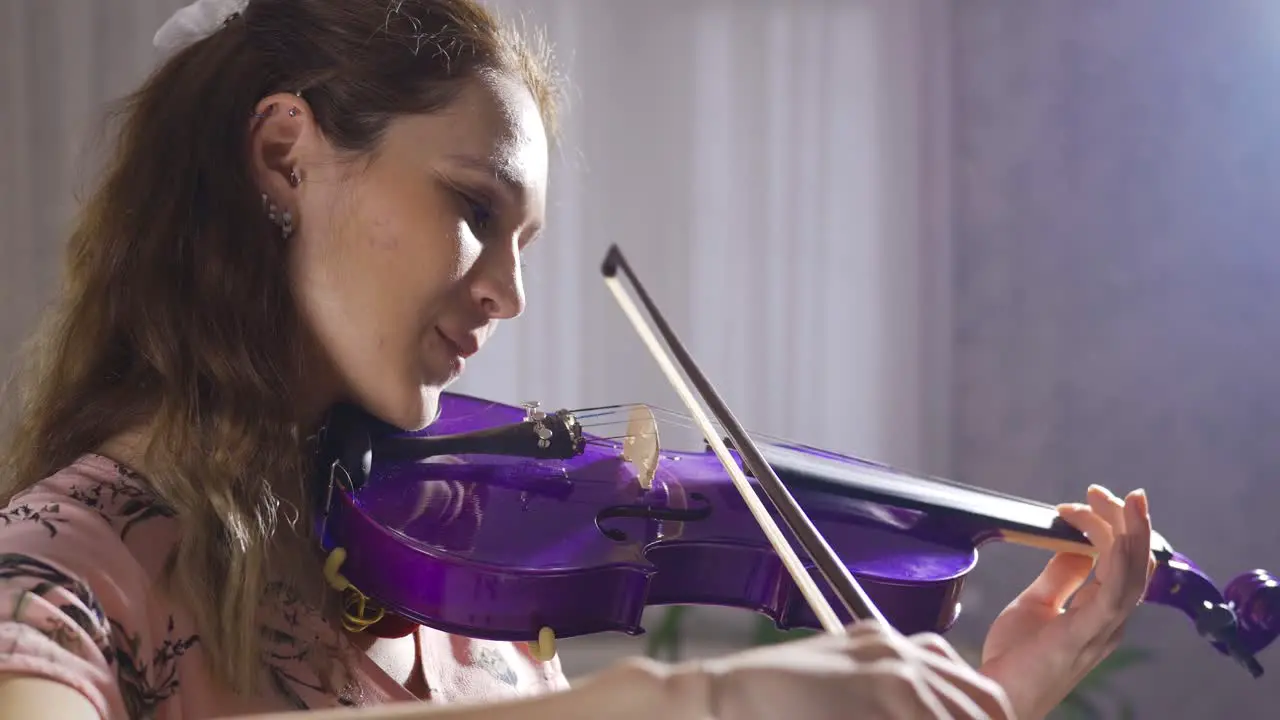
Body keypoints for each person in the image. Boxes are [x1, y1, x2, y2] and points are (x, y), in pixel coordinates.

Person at [0, 0, 1156, 718]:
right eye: (471, 208)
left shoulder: (442, 585)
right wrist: (693, 699)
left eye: (525, 243)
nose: (506, 292)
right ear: (283, 153)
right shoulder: (66, 565)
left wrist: (988, 703)